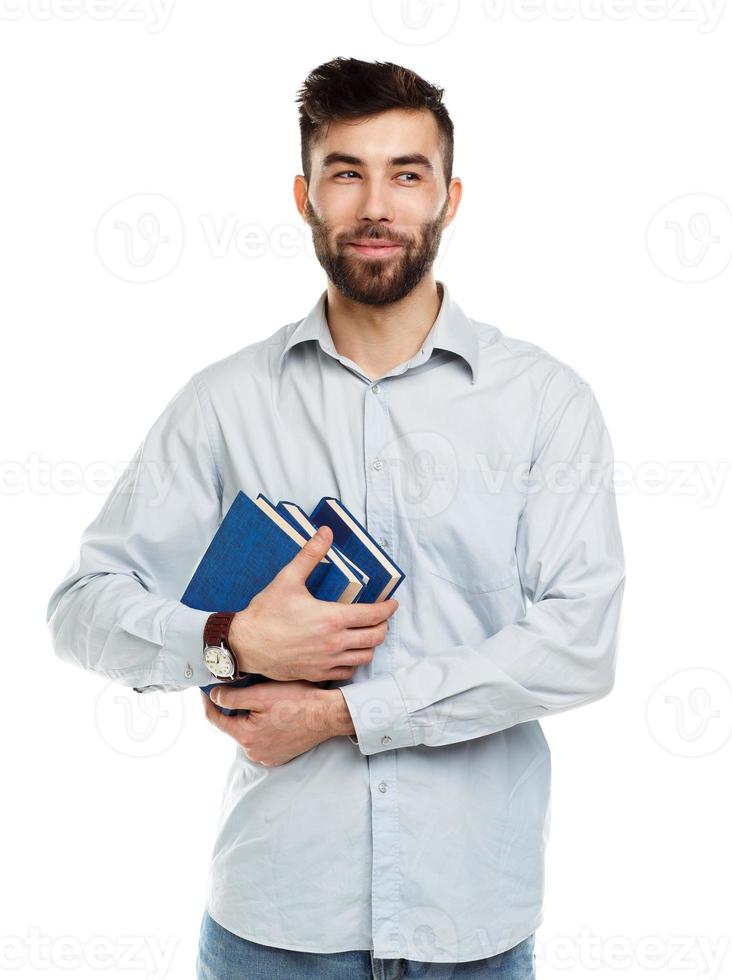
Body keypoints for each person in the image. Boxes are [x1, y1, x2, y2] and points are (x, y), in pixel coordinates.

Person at [47, 56, 625, 979]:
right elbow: (80, 609)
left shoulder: (544, 403)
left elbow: (579, 642)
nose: (376, 206)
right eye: (345, 172)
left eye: (407, 173)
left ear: (450, 197)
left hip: (472, 923)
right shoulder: (225, 401)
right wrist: (234, 639)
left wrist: (343, 716)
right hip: (276, 926)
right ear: (304, 195)